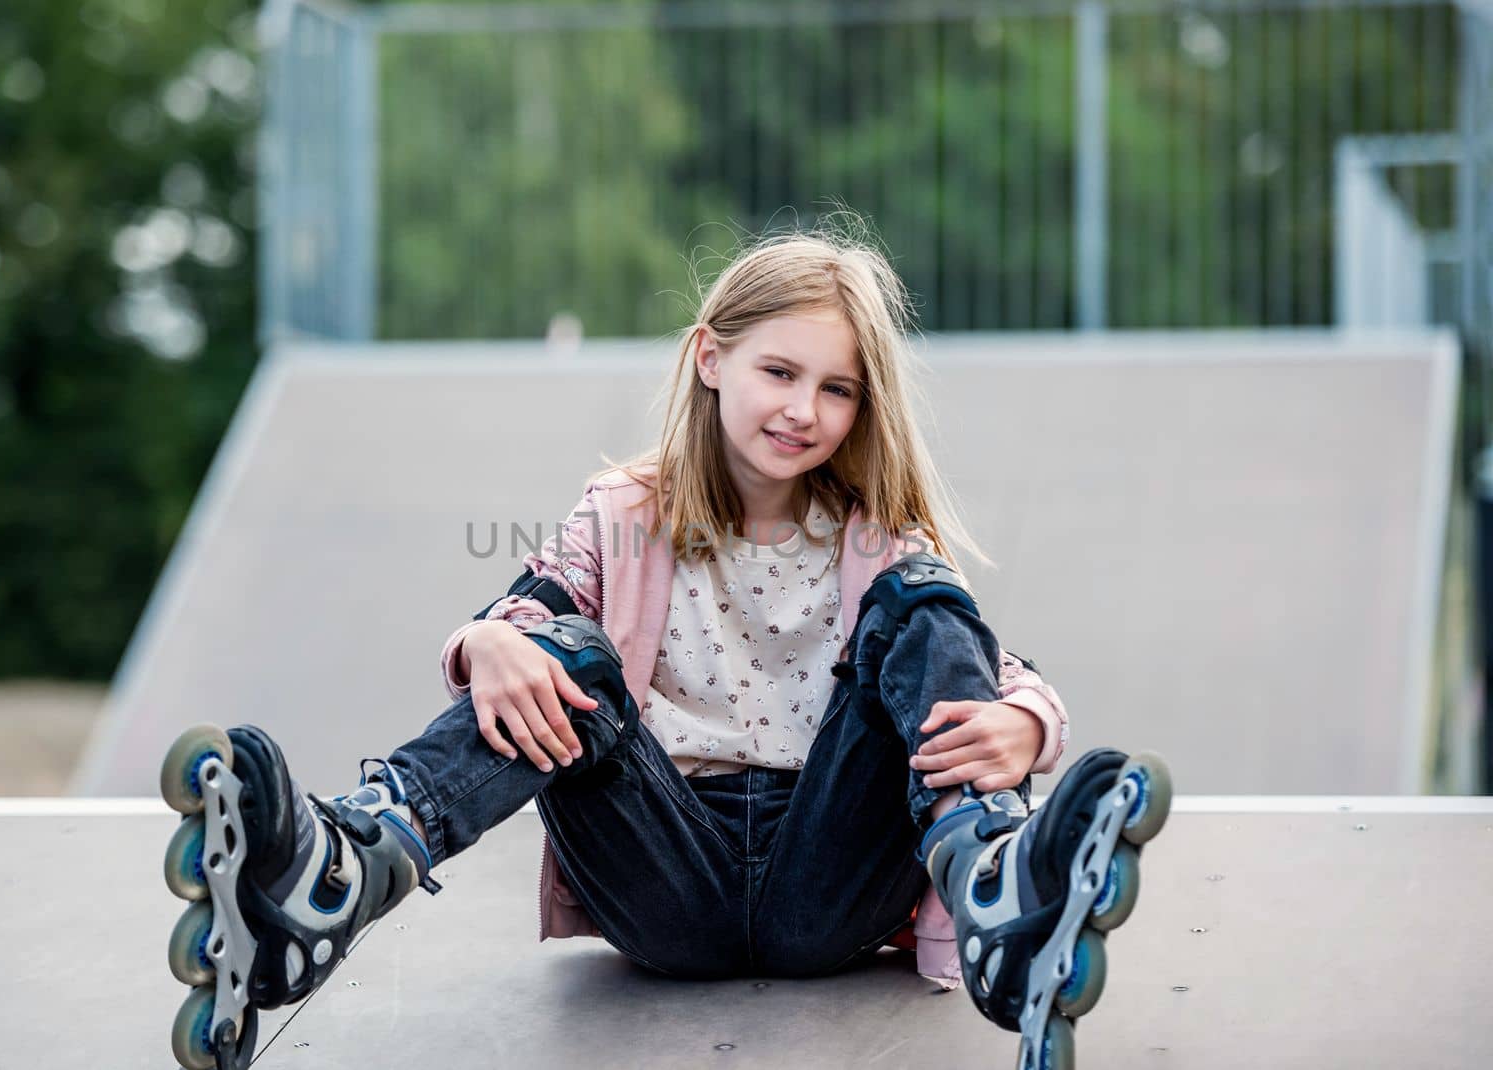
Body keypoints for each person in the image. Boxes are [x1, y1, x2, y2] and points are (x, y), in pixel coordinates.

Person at [159, 223, 1171, 1070]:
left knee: (920, 594)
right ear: (709, 356)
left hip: (828, 876)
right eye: (779, 370)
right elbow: (523, 606)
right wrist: (487, 641)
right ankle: (340, 874)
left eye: (837, 389)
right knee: (569, 652)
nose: (801, 409)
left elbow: (1000, 672)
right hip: (662, 869)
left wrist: (1022, 721)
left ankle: (990, 881)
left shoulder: (877, 538)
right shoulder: (620, 511)